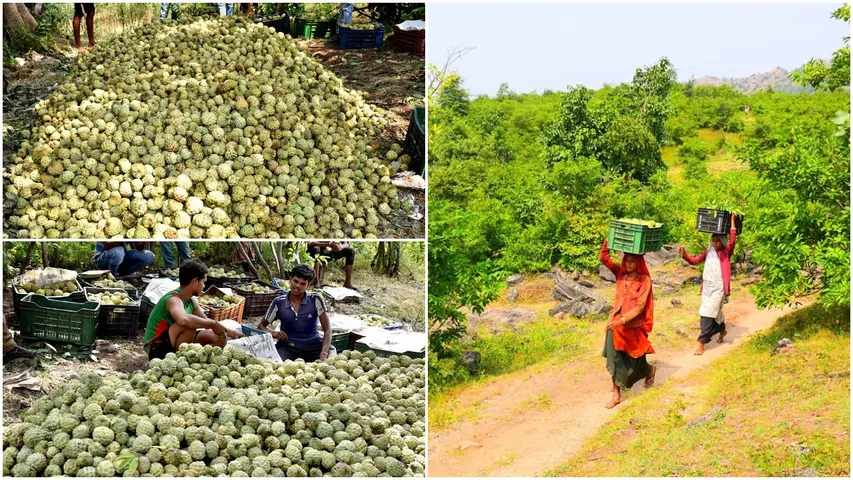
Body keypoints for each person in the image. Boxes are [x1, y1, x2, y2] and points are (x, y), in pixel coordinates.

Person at [143, 259, 243, 360]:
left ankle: (198, 358)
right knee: (189, 325)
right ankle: (181, 360)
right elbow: (183, 320)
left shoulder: (191, 301)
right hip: (156, 348)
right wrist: (212, 324)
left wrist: (232, 333)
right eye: (203, 282)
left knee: (218, 336)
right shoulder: (173, 299)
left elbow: (206, 322)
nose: (204, 286)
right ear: (195, 281)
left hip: (172, 341)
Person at [600, 238, 657, 409]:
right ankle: (617, 393)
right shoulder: (620, 275)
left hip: (631, 326)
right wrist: (608, 241)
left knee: (635, 360)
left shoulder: (644, 280)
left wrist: (623, 320)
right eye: (627, 260)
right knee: (613, 358)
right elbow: (604, 258)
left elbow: (640, 307)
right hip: (614, 324)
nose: (629, 264)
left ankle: (649, 370)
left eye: (633, 261)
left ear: (638, 262)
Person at [679, 212, 738, 356]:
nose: (714, 243)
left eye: (717, 241)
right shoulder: (709, 252)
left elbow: (732, 242)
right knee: (714, 313)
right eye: (713, 241)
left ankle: (701, 343)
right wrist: (685, 255)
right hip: (707, 288)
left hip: (718, 288)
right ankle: (722, 330)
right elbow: (695, 261)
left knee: (707, 313)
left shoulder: (725, 253)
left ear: (722, 242)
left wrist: (732, 222)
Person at [259, 264, 332, 362]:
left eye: (302, 284)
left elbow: (327, 329)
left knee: (328, 364)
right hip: (288, 345)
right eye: (295, 281)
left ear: (308, 285)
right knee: (278, 368)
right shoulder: (279, 302)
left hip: (313, 344)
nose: (297, 286)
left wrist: (324, 353)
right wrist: (274, 333)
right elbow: (261, 326)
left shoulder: (315, 299)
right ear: (290, 279)